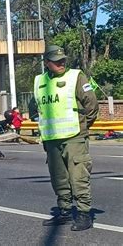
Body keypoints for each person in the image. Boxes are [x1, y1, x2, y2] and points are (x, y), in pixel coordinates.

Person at [35, 45, 98, 231]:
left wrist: (83, 127)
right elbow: (37, 107)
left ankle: (84, 214)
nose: (61, 63)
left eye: (62, 60)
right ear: (46, 63)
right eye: (56, 61)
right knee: (59, 179)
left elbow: (92, 106)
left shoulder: (76, 76)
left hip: (74, 137)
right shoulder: (39, 81)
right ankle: (64, 212)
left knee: (78, 177)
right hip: (52, 139)